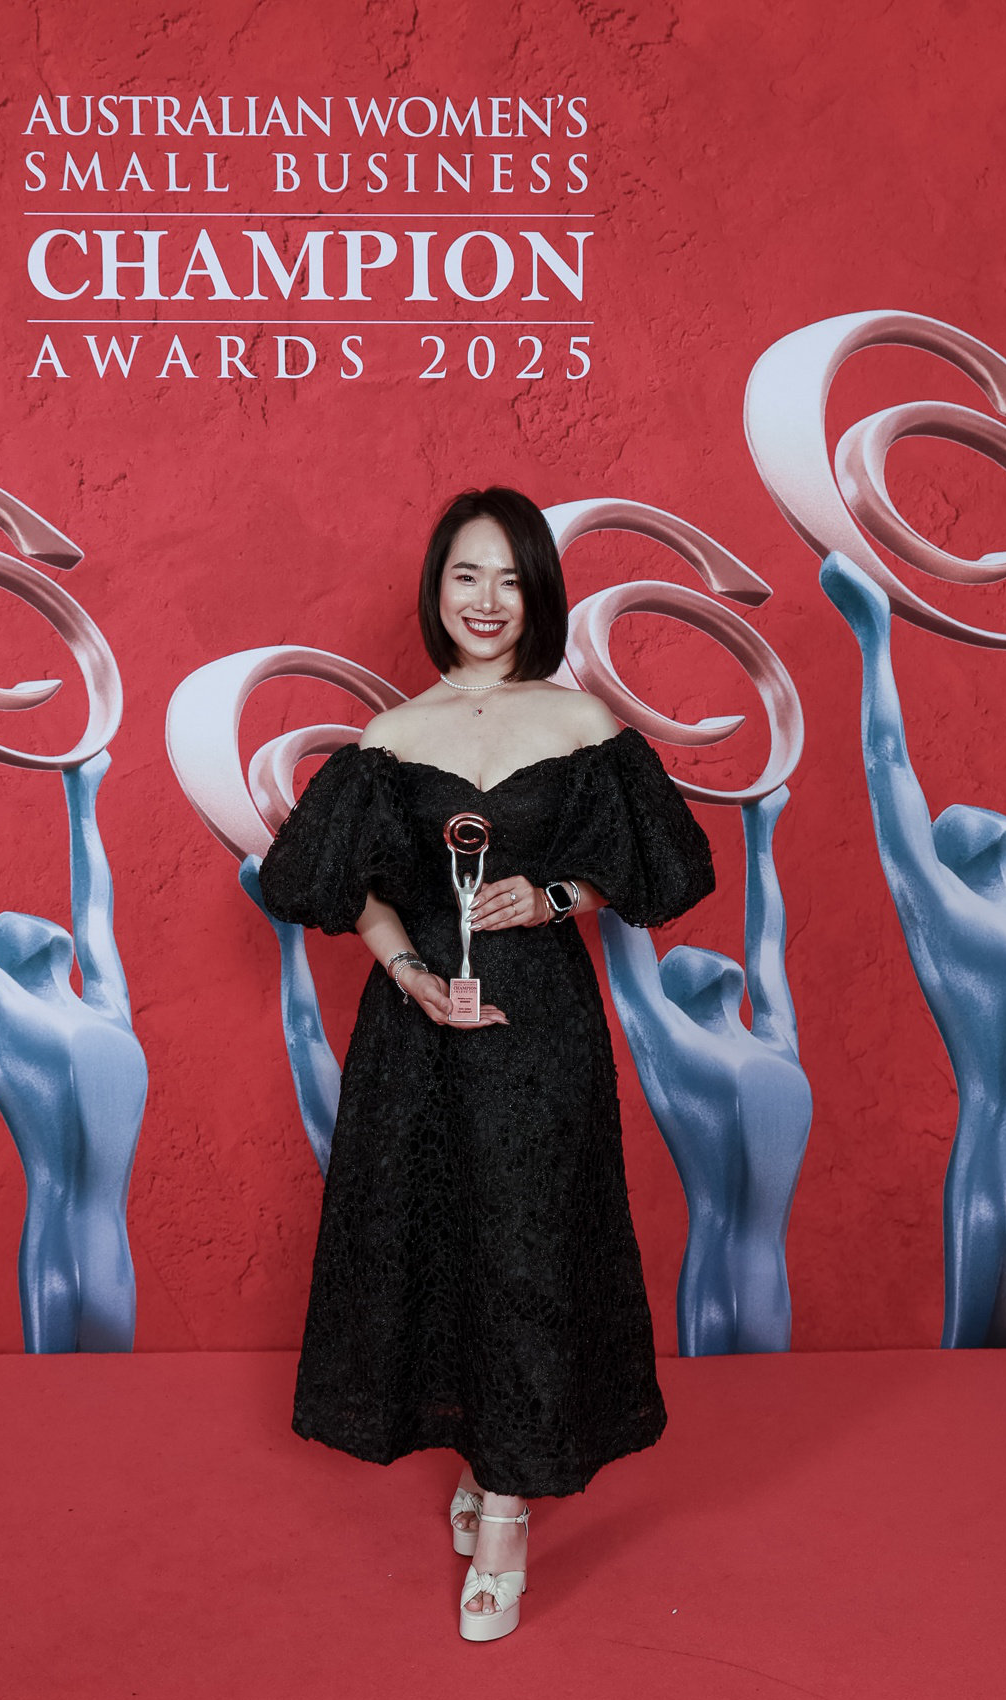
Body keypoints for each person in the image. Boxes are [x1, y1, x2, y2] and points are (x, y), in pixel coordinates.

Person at [258, 486, 716, 1641]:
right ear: (437, 588)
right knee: (447, 1243)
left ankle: (507, 1510)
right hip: (417, 1033)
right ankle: (483, 1452)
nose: (487, 599)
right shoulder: (391, 739)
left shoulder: (580, 722)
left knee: (529, 1247)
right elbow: (328, 884)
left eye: (511, 578)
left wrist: (557, 895)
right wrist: (408, 968)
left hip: (540, 1026)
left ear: (538, 595)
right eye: (467, 574)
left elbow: (666, 865)